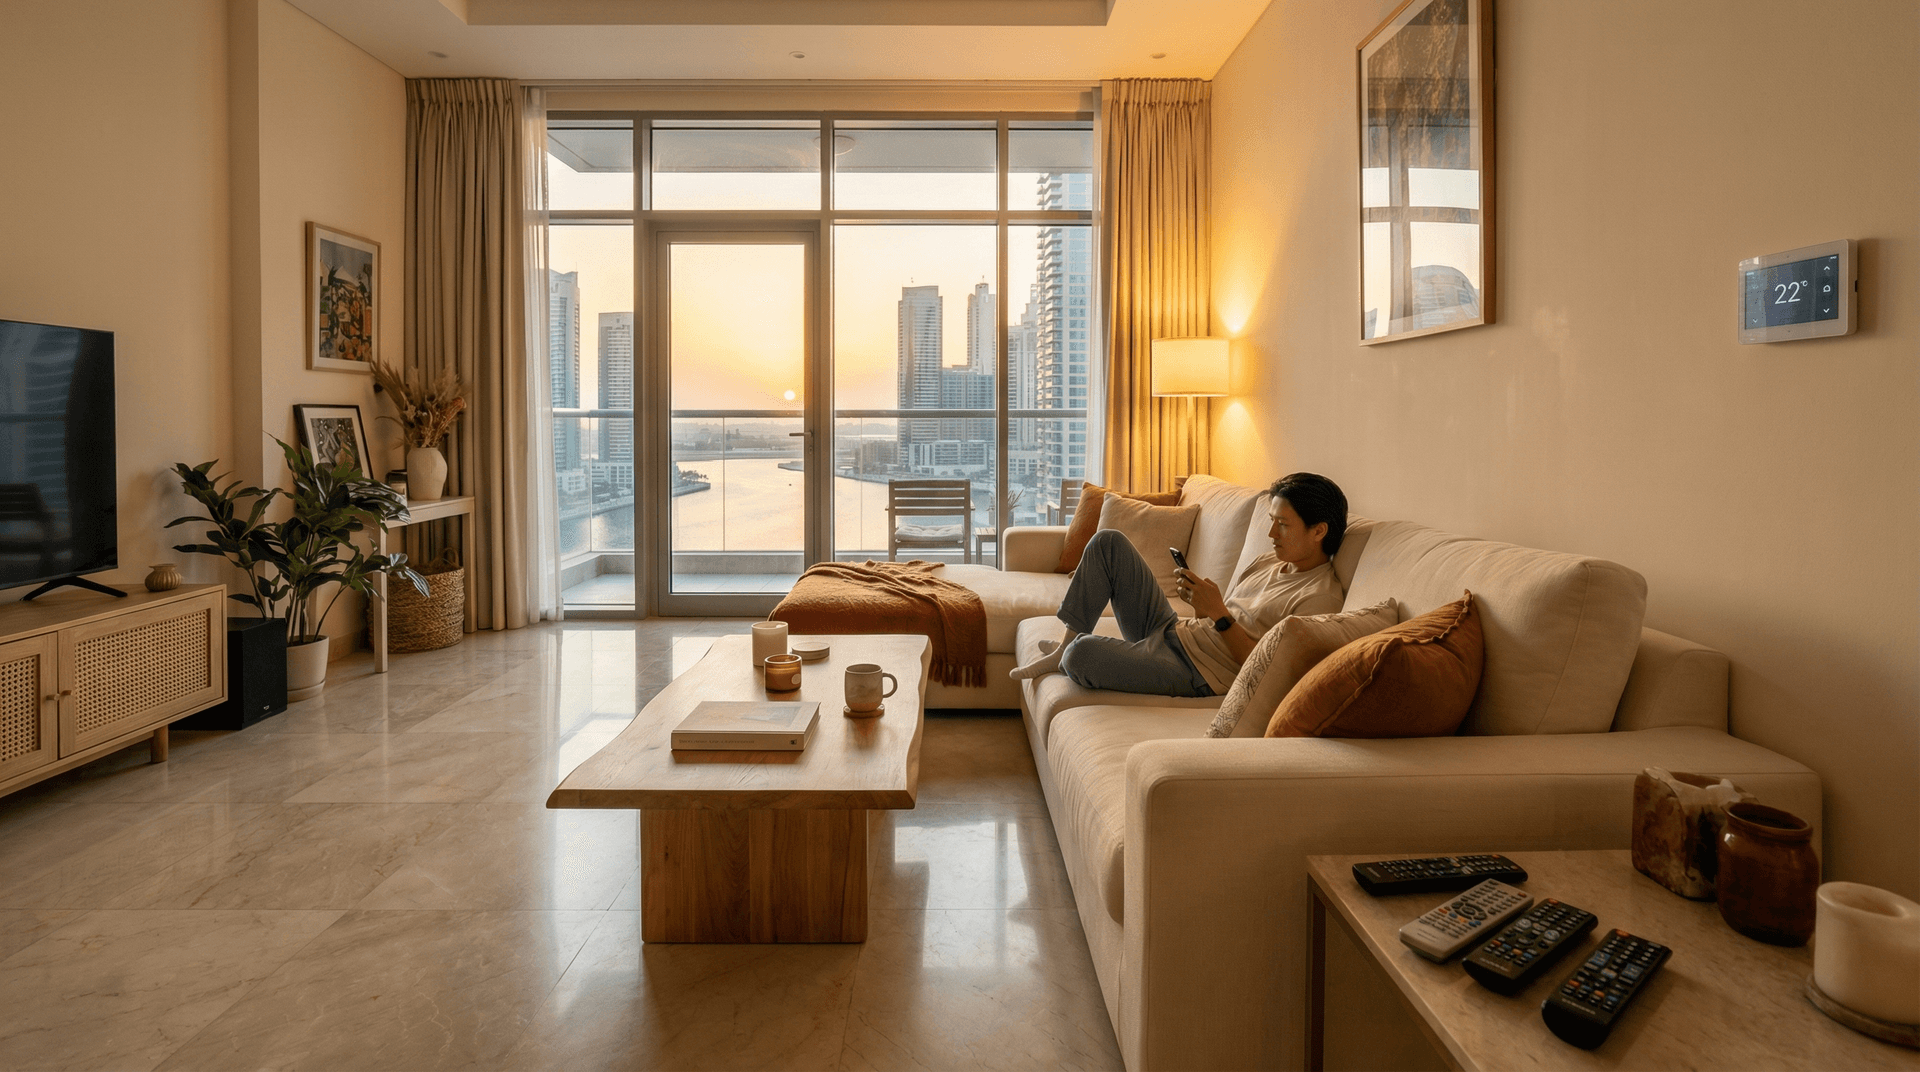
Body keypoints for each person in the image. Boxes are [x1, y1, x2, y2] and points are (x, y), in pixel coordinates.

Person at [1009, 472, 1350, 697]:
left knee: (1082, 655)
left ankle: (1069, 652)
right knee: (1108, 543)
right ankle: (1060, 651)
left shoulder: (1319, 600)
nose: (1272, 534)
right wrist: (1205, 606)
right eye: (1272, 522)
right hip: (1179, 632)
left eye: (1283, 525)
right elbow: (1221, 619)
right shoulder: (1268, 563)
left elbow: (1267, 671)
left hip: (1197, 672)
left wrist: (1218, 613)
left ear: (1319, 530)